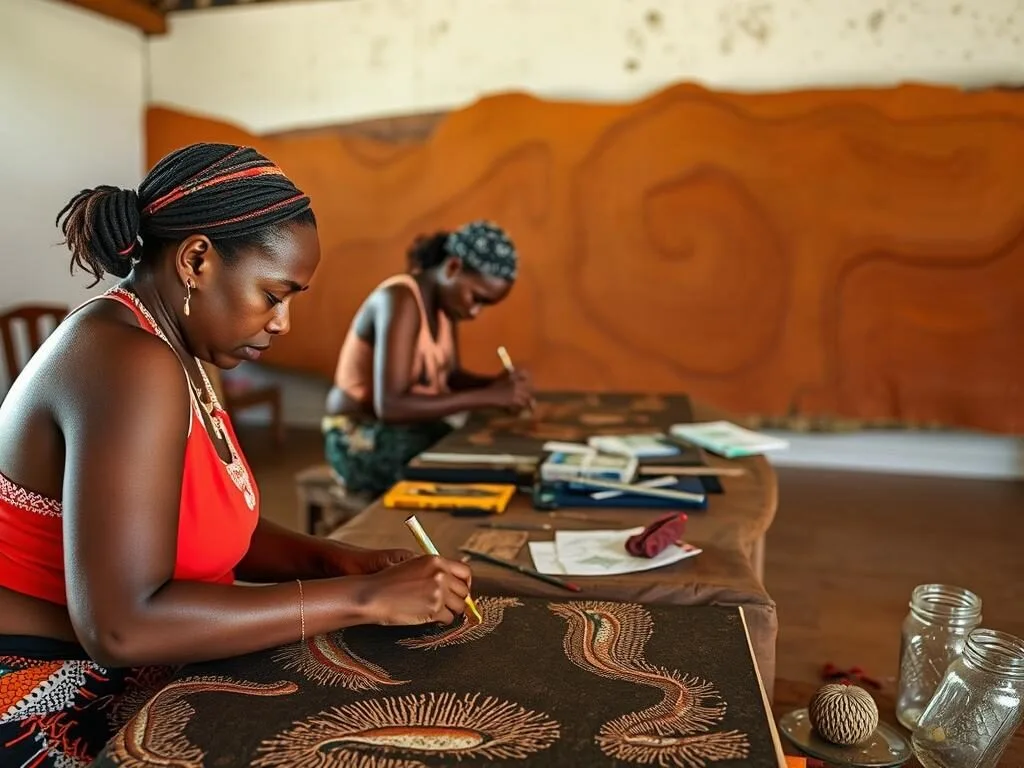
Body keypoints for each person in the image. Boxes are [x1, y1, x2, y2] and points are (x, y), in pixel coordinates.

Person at [0, 143, 473, 767]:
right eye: (274, 295)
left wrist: (341, 563)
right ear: (197, 259)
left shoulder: (175, 348)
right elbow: (122, 628)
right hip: (46, 693)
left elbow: (206, 525)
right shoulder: (126, 361)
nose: (283, 323)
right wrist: (364, 600)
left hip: (136, 659)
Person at [323, 221, 534, 498]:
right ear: (453, 268)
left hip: (410, 431)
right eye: (476, 298)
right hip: (362, 439)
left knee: (491, 457)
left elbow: (451, 377)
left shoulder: (447, 306)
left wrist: (497, 386)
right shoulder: (399, 299)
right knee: (475, 471)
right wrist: (491, 397)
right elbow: (391, 406)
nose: (474, 312)